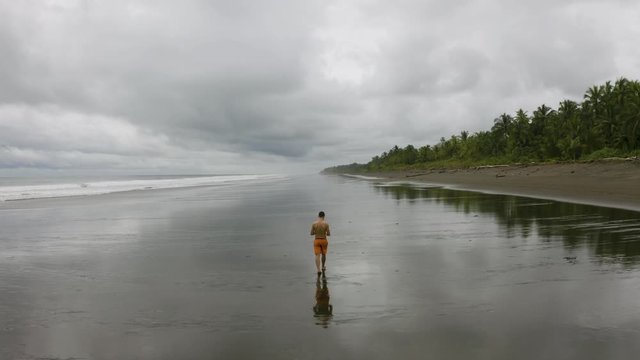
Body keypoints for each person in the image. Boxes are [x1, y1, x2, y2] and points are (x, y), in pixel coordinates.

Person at [310, 211, 331, 275]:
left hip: (317, 240)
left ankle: (318, 270)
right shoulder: (326, 224)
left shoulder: (314, 224)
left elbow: (311, 233)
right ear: (324, 216)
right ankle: (323, 266)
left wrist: (316, 232)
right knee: (324, 254)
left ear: (318, 216)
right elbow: (329, 234)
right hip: (324, 240)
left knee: (317, 255)